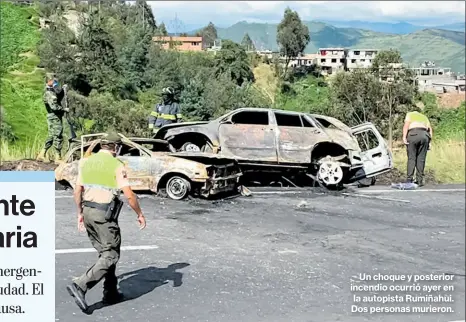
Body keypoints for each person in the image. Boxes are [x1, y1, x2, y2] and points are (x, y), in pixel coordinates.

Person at [66, 132, 146, 312]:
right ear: (115, 147)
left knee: (106, 251)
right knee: (110, 255)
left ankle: (110, 293)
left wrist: (79, 213)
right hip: (103, 216)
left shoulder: (86, 162)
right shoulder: (117, 165)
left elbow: (77, 191)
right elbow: (129, 195)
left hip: (87, 212)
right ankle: (80, 285)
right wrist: (139, 214)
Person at [36, 76, 69, 163]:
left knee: (51, 136)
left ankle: (42, 154)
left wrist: (63, 90)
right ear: (49, 81)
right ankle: (58, 157)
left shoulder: (49, 92)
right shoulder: (49, 93)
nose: (55, 83)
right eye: (54, 81)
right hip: (55, 116)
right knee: (58, 135)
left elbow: (58, 94)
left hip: (52, 116)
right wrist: (64, 109)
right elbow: (54, 106)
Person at [402, 110, 432, 187]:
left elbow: (406, 125)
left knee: (412, 158)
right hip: (425, 135)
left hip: (413, 134)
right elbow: (430, 129)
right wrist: (429, 142)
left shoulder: (410, 115)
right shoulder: (424, 117)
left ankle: (409, 179)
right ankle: (419, 180)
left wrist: (404, 137)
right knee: (421, 159)